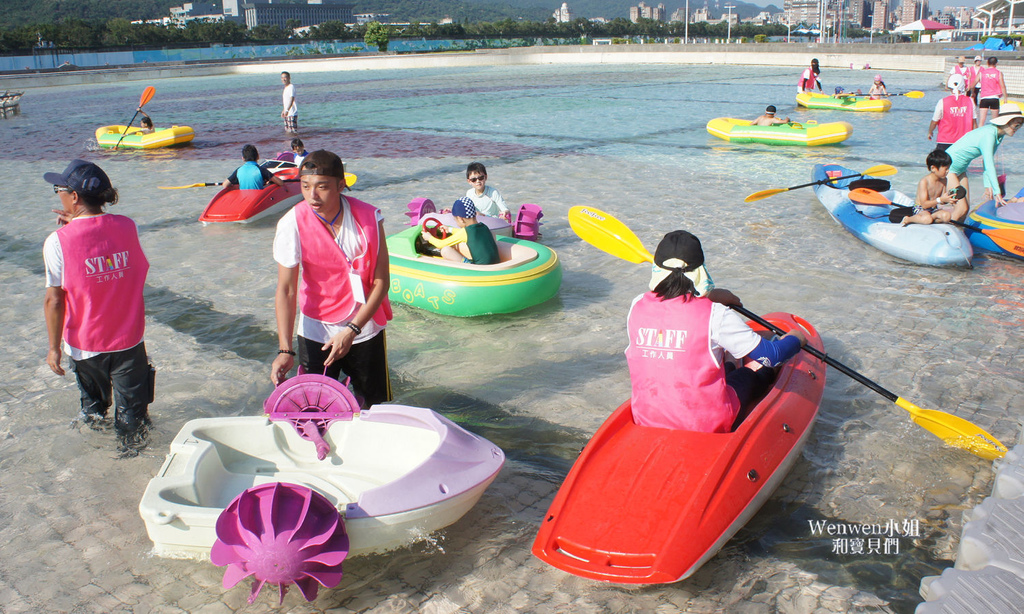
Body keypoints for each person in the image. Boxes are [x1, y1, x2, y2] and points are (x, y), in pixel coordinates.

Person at [625, 231, 807, 433]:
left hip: (646, 417)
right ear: (699, 270)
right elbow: (772, 356)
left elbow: (674, 312)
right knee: (751, 375)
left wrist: (714, 296)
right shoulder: (715, 315)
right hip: (706, 423)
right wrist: (797, 338)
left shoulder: (636, 306)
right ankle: (739, 367)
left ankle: (729, 363)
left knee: (718, 362)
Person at [42, 160, 153, 457]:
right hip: (129, 340)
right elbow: (103, 238)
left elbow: (55, 299)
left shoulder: (56, 243)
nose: (59, 196)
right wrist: (80, 223)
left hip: (85, 346)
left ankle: (95, 466)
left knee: (93, 410)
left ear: (74, 197)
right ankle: (133, 462)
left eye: (60, 190)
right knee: (133, 416)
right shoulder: (130, 226)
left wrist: (54, 348)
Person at [270, 150, 393, 409]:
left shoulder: (369, 218)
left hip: (363, 329)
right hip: (317, 330)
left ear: (341, 185)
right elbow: (287, 290)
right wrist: (285, 349)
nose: (312, 196)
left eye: (322, 187)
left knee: (373, 409)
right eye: (305, 186)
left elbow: (381, 282)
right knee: (316, 409)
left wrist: (352, 330)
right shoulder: (292, 222)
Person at [945, 103, 1024, 211]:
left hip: (961, 169)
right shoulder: (989, 134)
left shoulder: (998, 136)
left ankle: (958, 227)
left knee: (965, 208)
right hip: (948, 168)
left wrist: (988, 186)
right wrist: (997, 192)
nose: (1017, 129)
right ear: (1006, 122)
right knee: (961, 208)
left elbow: (986, 162)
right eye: (1016, 125)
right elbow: (989, 164)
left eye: (1020, 125)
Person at [892, 149, 964, 226]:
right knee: (927, 219)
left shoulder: (944, 180)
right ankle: (908, 219)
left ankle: (929, 220)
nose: (947, 171)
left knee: (947, 216)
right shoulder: (925, 181)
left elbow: (942, 200)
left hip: (932, 210)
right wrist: (940, 199)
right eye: (945, 169)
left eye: (948, 168)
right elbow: (924, 205)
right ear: (933, 168)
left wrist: (948, 200)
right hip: (920, 209)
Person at [421, 197, 500, 265]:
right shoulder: (484, 227)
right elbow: (465, 233)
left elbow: (441, 244)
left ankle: (466, 264)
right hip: (494, 266)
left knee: (445, 250)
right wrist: (449, 229)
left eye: (455, 220)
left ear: (460, 219)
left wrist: (429, 237)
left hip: (479, 269)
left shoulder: (465, 232)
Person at [928, 74, 977, 151]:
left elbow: (935, 121)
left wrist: (930, 132)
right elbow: (974, 123)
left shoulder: (942, 102)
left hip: (945, 141)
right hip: (964, 142)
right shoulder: (970, 101)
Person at [969, 56, 1007, 126]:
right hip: (994, 97)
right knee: (996, 121)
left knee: (981, 122)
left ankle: (980, 135)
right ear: (996, 63)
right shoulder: (998, 73)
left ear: (987, 63)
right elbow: (1003, 86)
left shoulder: (982, 73)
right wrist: (1005, 98)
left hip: (984, 98)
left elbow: (972, 85)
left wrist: (973, 93)